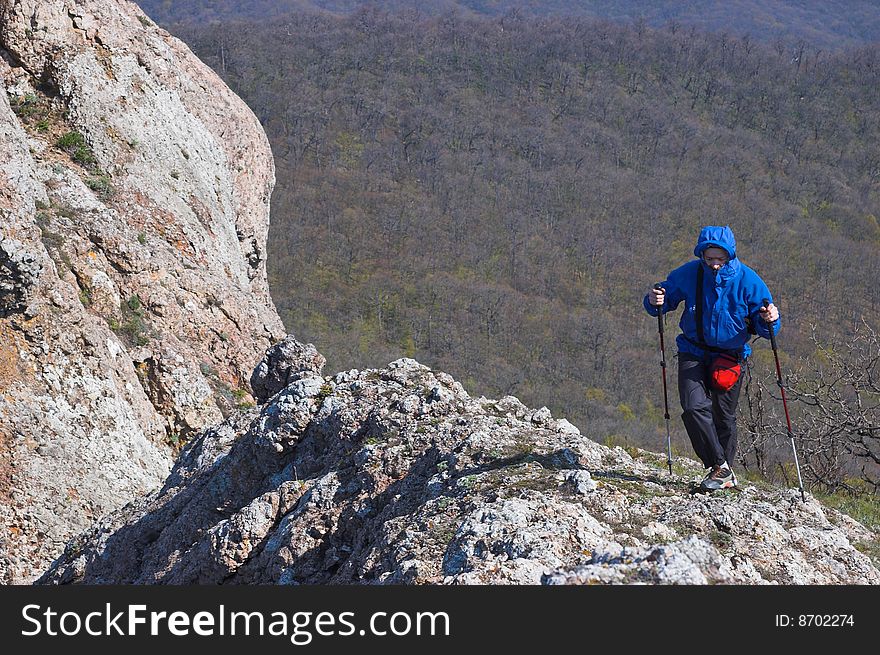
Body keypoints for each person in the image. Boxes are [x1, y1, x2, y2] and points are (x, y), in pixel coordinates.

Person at [643, 225, 780, 491]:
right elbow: (664, 299)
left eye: (720, 258)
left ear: (730, 255)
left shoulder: (749, 281)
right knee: (694, 407)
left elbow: (766, 324)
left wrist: (770, 320)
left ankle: (722, 476)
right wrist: (654, 300)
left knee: (724, 417)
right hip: (692, 351)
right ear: (702, 255)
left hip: (730, 357)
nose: (715, 264)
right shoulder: (689, 273)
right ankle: (720, 466)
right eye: (710, 258)